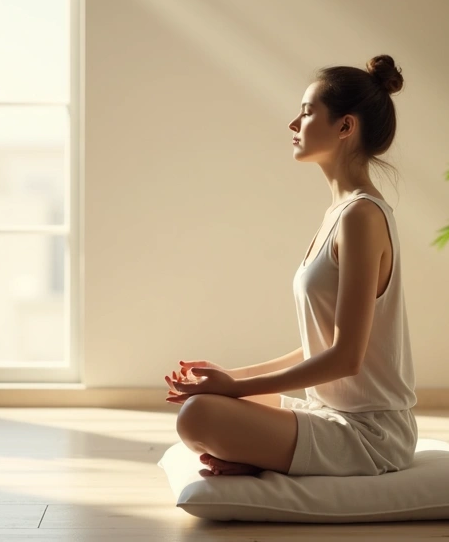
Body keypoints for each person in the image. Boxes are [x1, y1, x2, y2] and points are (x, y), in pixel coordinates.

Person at [164, 55, 418, 478]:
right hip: (329, 412)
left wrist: (236, 388)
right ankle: (261, 456)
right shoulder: (339, 213)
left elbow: (346, 358)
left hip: (370, 434)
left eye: (306, 112)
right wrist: (229, 376)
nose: (293, 125)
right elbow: (325, 344)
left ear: (344, 126)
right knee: (208, 405)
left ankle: (263, 457)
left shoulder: (361, 217)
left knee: (198, 417)